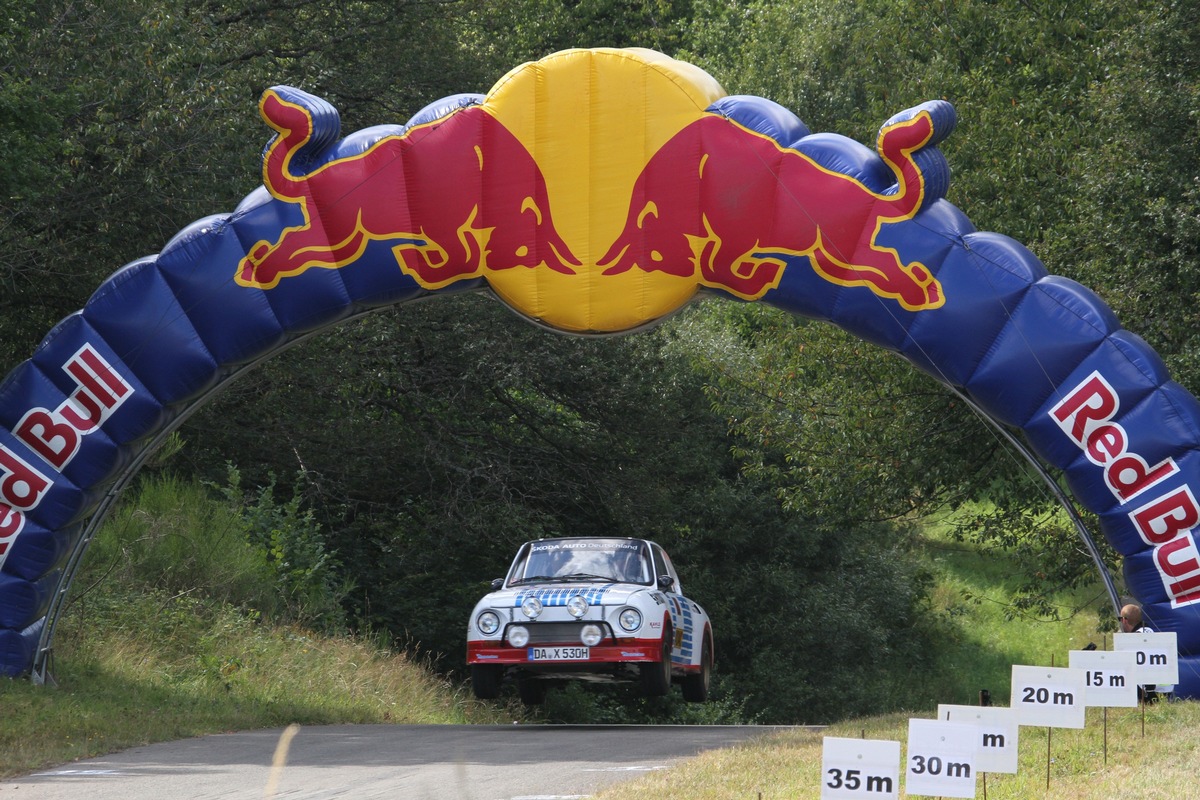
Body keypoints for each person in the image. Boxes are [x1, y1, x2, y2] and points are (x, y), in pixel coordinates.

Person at [1120, 603, 1161, 703]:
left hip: (1147, 692)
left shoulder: (1133, 640)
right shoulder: (1151, 632)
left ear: (1124, 620)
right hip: (1164, 689)